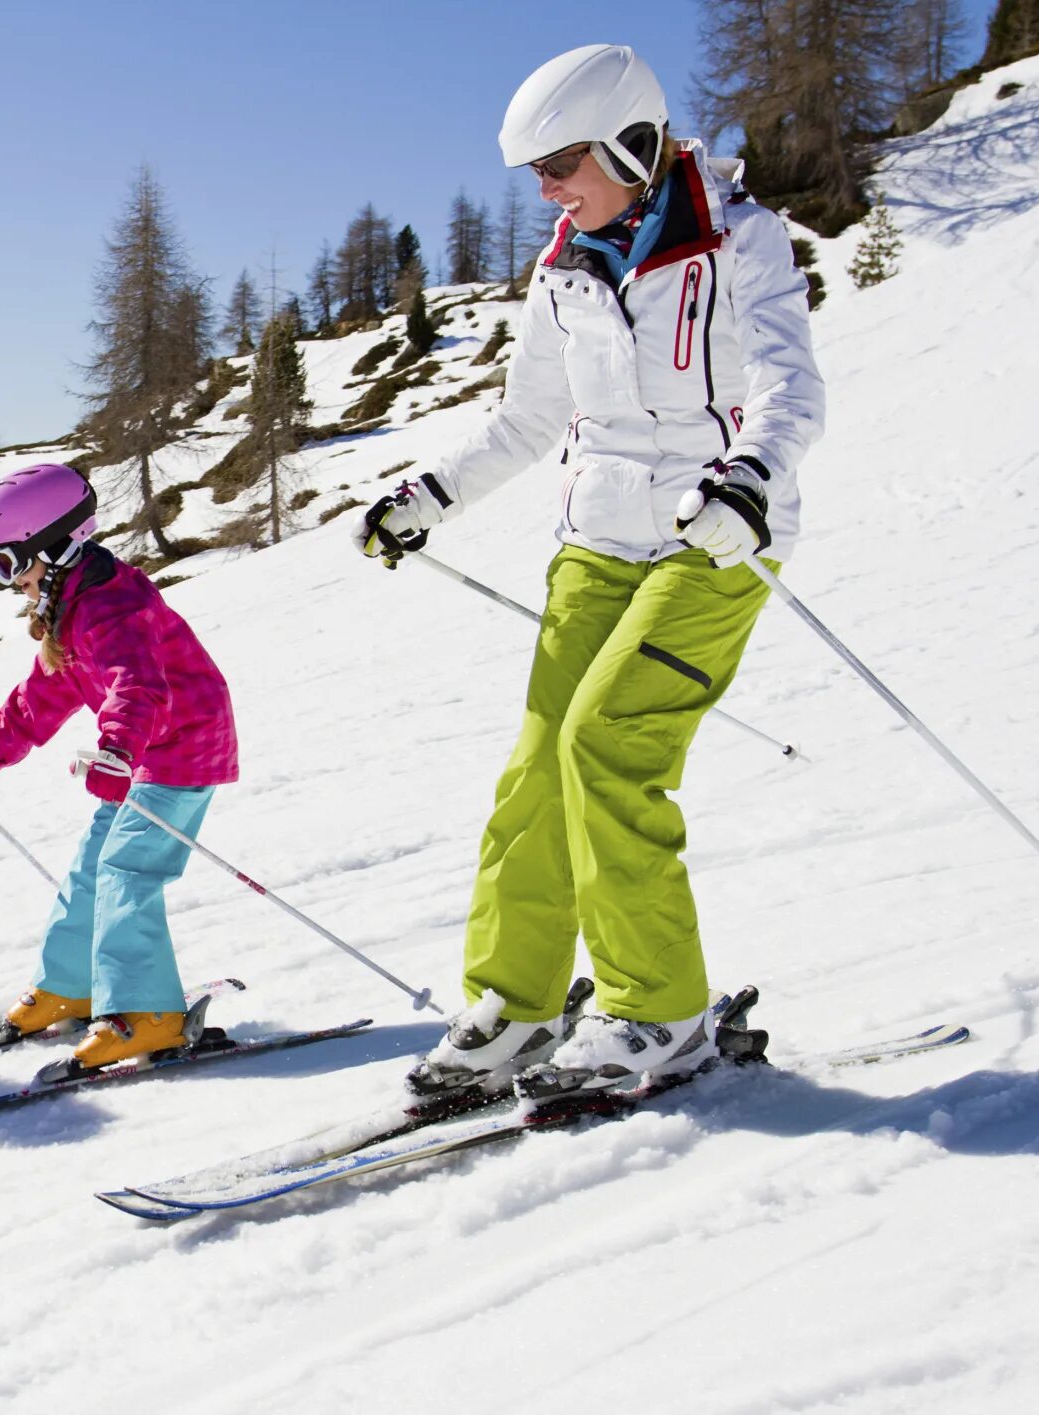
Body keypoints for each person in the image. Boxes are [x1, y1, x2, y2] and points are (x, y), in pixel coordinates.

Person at [352, 45, 824, 1098]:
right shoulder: (564, 267)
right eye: (535, 171)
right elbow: (528, 417)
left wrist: (749, 479)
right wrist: (427, 494)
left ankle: (658, 1011)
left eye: (561, 162)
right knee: (535, 771)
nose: (546, 188)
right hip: (597, 541)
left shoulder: (740, 242)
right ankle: (514, 1006)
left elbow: (792, 386)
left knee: (605, 745)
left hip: (715, 536)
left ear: (631, 142)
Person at [0, 463, 238, 1070]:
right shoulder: (70, 611)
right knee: (93, 869)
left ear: (58, 547)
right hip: (140, 753)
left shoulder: (115, 605)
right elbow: (35, 704)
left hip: (182, 745)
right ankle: (71, 987)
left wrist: (118, 749)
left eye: (11, 563)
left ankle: (148, 1016)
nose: (8, 581)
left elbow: (138, 683)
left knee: (127, 869)